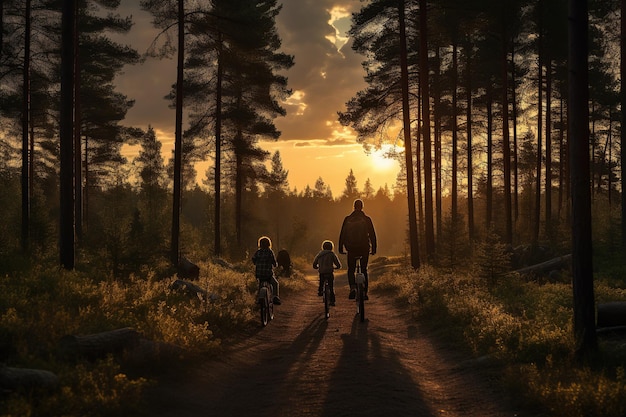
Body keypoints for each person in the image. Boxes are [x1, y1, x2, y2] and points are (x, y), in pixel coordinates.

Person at [338, 199, 377, 300]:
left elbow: (343, 234)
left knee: (351, 269)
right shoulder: (367, 219)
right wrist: (374, 248)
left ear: (354, 207)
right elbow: (372, 235)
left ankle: (352, 288)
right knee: (364, 269)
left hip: (351, 248)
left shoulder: (347, 219)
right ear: (362, 207)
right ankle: (364, 292)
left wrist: (340, 248)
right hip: (364, 248)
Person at [252, 236, 281, 305]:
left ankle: (258, 299)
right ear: (269, 244)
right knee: (275, 283)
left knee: (260, 286)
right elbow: (274, 263)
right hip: (268, 275)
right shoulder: (270, 252)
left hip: (259, 275)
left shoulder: (258, 252)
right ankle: (275, 297)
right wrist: (275, 265)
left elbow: (253, 260)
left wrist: (258, 263)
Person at [312, 240, 342, 305]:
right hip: (329, 272)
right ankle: (332, 301)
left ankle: (320, 291)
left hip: (322, 272)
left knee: (321, 282)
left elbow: (314, 263)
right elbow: (338, 264)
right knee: (331, 287)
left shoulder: (319, 254)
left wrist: (316, 267)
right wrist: (337, 267)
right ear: (331, 247)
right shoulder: (332, 254)